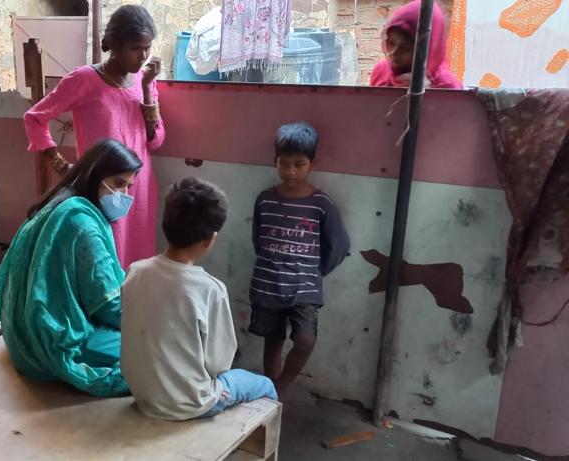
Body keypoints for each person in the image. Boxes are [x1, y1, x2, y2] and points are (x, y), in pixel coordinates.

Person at [0, 139, 142, 397]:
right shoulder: (83, 225)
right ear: (95, 175)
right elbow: (108, 306)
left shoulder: (61, 203)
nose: (124, 195)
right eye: (118, 183)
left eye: (129, 186)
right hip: (48, 344)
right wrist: (155, 322)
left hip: (20, 333)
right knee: (157, 351)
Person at [122, 178, 277, 421]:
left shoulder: (135, 271)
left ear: (165, 224)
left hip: (142, 395)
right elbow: (219, 365)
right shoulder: (210, 290)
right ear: (209, 239)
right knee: (265, 384)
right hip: (192, 404)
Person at [24, 5, 164, 268]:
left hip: (139, 190)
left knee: (137, 269)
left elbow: (155, 141)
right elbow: (34, 118)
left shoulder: (144, 81)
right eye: (136, 48)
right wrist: (63, 167)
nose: (143, 56)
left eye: (148, 47)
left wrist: (146, 90)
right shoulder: (84, 80)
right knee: (102, 264)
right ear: (114, 45)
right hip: (103, 191)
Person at [249, 122, 350, 396]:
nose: (290, 171)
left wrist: (315, 273)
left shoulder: (321, 204)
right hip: (267, 283)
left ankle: (279, 389)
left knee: (305, 340)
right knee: (273, 339)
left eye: (298, 164)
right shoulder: (264, 200)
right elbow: (259, 240)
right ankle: (269, 391)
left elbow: (339, 245)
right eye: (284, 164)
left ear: (312, 164)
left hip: (305, 288)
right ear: (275, 162)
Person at [370, 0, 463, 89]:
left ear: (427, 50)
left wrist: (426, 94)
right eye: (391, 43)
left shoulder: (448, 88)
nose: (393, 53)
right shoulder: (381, 73)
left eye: (405, 48)